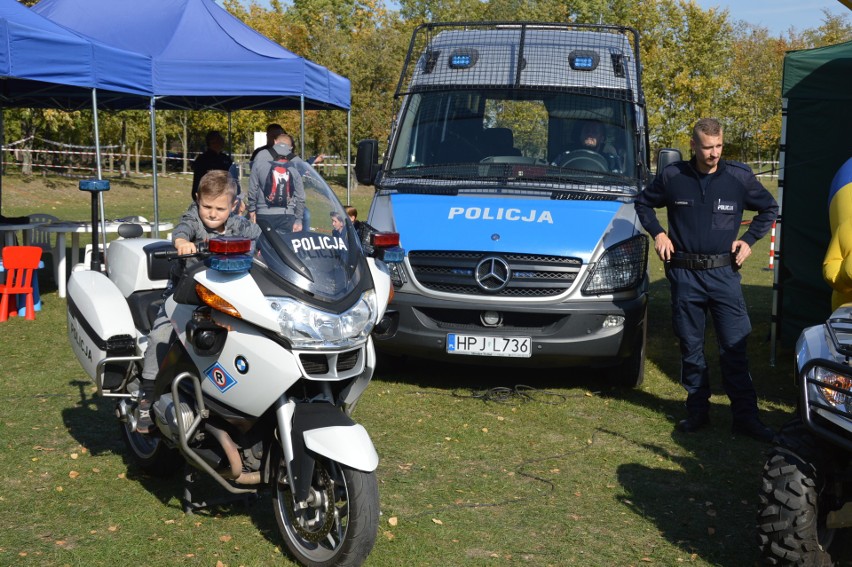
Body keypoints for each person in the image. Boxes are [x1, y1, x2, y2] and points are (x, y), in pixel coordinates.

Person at [634, 117, 779, 443]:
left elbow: (769, 208)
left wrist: (749, 240)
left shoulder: (739, 177)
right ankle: (697, 412)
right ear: (693, 146)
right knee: (691, 348)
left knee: (735, 348)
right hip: (685, 275)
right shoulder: (673, 176)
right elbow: (642, 203)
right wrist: (658, 233)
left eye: (718, 146)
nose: (714, 154)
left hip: (723, 275)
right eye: (707, 147)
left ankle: (746, 418)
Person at [137, 170, 261, 433]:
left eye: (220, 208)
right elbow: (182, 229)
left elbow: (266, 237)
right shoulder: (194, 219)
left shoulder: (241, 225)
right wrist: (182, 242)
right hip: (185, 294)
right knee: (161, 335)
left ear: (234, 205)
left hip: (227, 297)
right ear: (197, 200)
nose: (212, 213)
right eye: (207, 206)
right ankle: (147, 397)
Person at [248, 128, 306, 232]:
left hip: (263, 213)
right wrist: (298, 219)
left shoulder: (260, 156)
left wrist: (252, 210)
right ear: (291, 147)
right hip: (287, 215)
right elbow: (300, 196)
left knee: (264, 246)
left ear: (275, 142)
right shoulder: (297, 161)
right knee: (284, 246)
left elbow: (253, 188)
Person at [191, 130, 233, 202]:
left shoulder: (226, 159)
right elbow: (197, 183)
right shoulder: (203, 159)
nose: (222, 140)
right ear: (212, 141)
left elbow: (232, 178)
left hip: (225, 198)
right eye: (219, 138)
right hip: (208, 198)